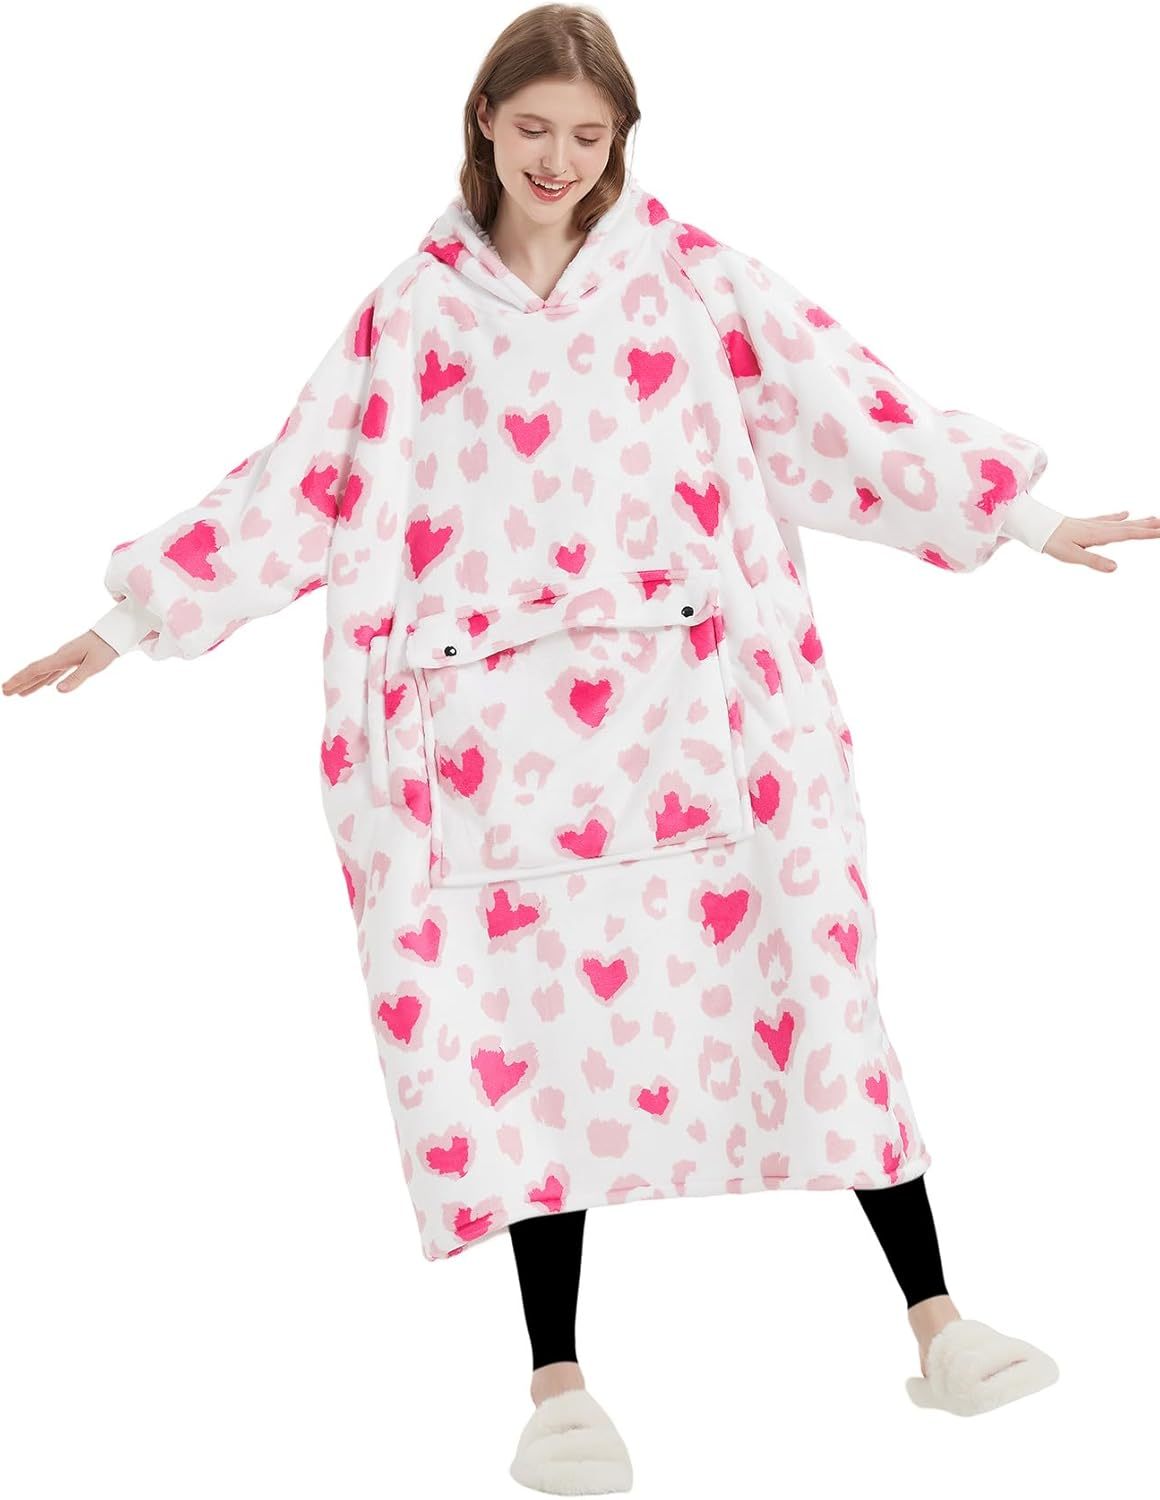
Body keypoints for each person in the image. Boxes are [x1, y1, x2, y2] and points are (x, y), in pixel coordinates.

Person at [6, 4, 1158, 1493]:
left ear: (620, 143)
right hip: (487, 750)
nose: (556, 157)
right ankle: (557, 1382)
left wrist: (1028, 515)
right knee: (525, 1031)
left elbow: (846, 407)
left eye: (586, 133)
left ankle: (937, 1323)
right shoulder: (410, 318)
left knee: (810, 979)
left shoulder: (693, 284)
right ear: (484, 122)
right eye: (533, 126)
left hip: (711, 717)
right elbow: (297, 485)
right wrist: (131, 620)